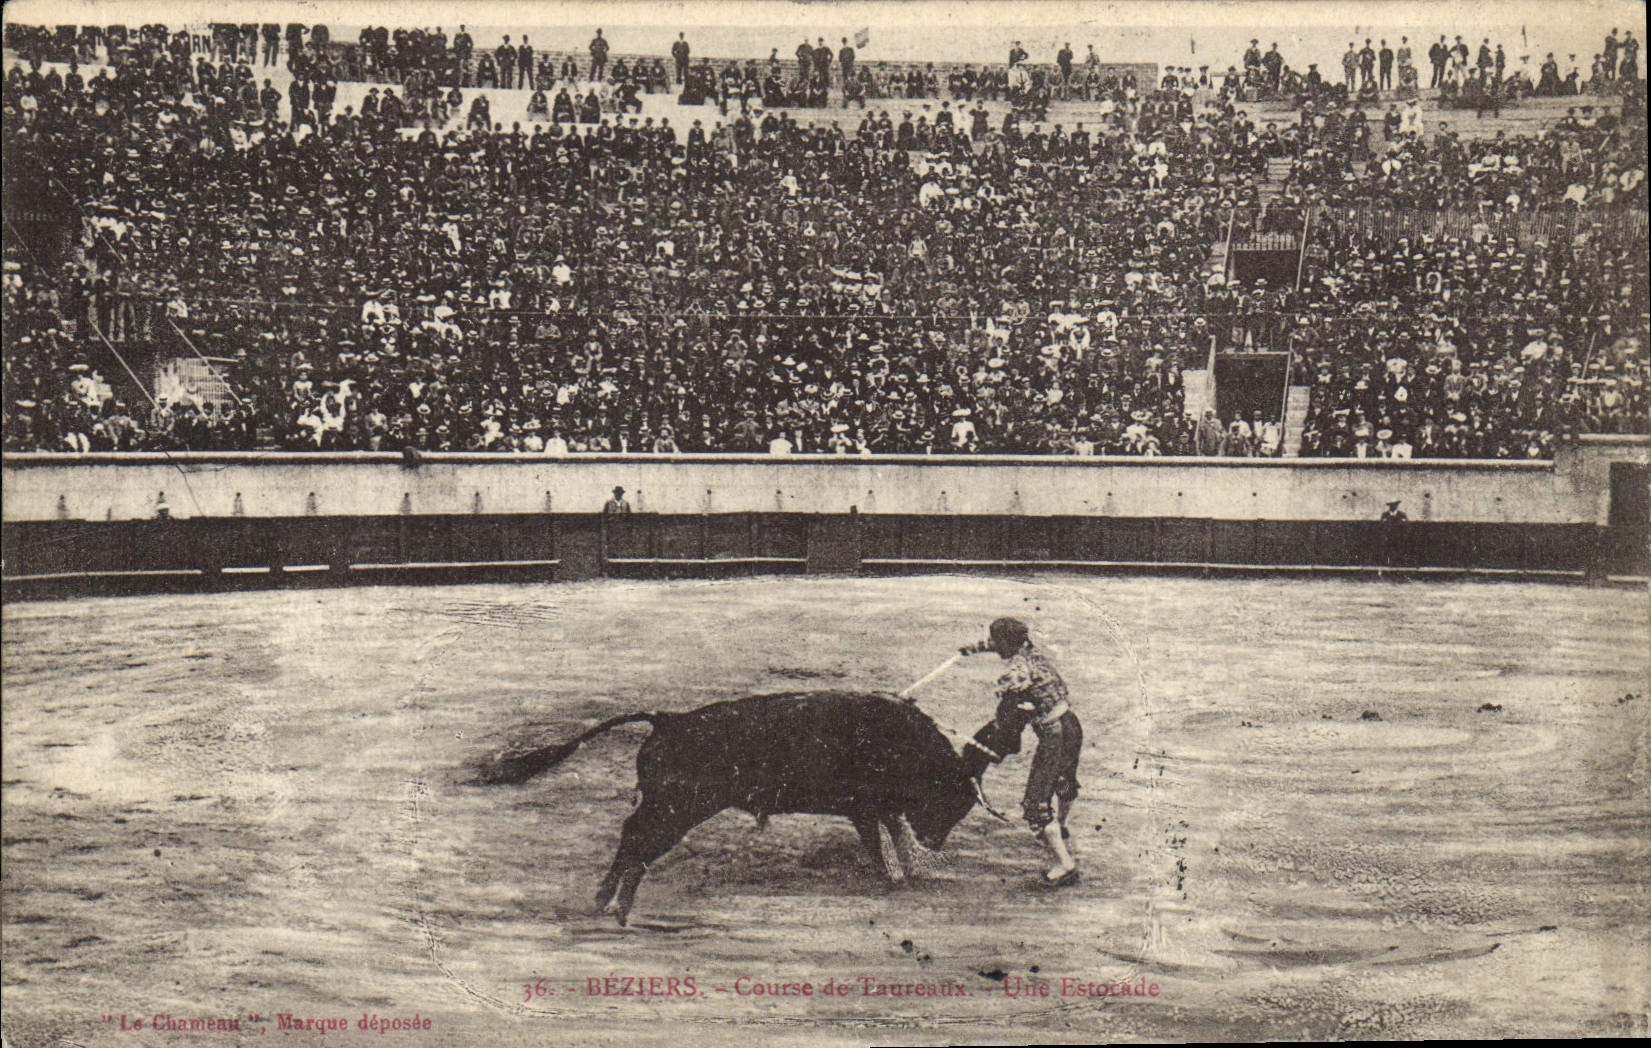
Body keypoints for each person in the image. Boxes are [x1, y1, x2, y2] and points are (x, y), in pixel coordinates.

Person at [960, 617, 1081, 887]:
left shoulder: (1016, 672)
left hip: (1054, 736)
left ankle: (1065, 865)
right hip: (1071, 724)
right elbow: (1003, 648)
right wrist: (973, 648)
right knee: (1065, 780)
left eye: (997, 641)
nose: (994, 646)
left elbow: (1009, 706)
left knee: (1035, 803)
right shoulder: (1031, 651)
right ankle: (1060, 825)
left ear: (1008, 642)